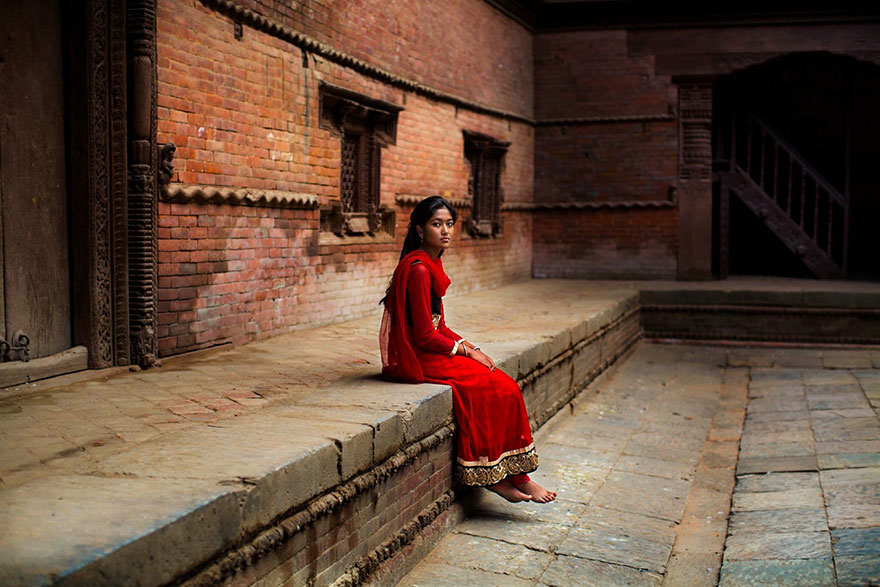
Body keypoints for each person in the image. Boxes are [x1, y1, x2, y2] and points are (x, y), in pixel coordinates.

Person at [379, 196, 556, 503]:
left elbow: (440, 326)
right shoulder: (420, 269)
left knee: (504, 385)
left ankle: (515, 475)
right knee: (491, 386)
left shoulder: (432, 262)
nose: (445, 230)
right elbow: (424, 336)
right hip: (421, 357)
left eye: (449, 224)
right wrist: (465, 353)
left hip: (435, 350)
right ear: (420, 230)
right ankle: (495, 477)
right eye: (437, 224)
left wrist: (471, 346)